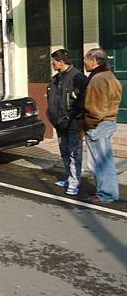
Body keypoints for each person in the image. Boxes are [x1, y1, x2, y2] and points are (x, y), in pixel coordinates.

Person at [82, 48, 123, 203]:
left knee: (100, 162)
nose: (84, 62)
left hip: (98, 124)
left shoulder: (97, 79)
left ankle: (106, 194)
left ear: (95, 61)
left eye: (86, 59)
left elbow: (95, 109)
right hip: (109, 121)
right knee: (104, 160)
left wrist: (88, 124)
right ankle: (106, 192)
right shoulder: (110, 76)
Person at [46, 49, 87, 196]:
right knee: (64, 151)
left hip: (74, 122)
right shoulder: (56, 78)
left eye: (54, 61)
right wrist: (51, 115)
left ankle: (74, 183)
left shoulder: (78, 78)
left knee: (74, 153)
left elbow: (85, 101)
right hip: (59, 122)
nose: (52, 63)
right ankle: (69, 177)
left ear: (61, 62)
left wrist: (81, 120)